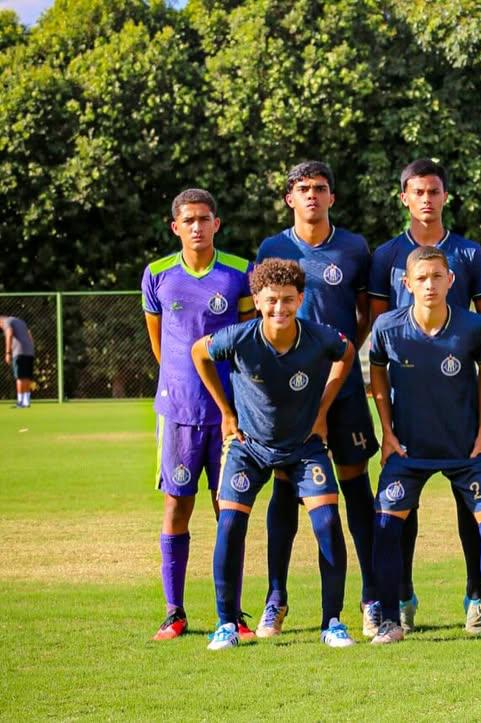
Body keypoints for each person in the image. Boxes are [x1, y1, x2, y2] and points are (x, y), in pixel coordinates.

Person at [192, 258, 357, 650]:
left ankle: (332, 622)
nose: (279, 308)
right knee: (230, 524)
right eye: (270, 300)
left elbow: (347, 353)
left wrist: (322, 410)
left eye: (287, 299)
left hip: (303, 447)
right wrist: (226, 412)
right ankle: (226, 624)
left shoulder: (319, 337)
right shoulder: (240, 337)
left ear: (300, 299)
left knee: (327, 522)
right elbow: (199, 352)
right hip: (249, 446)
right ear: (257, 301)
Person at [368, 158, 481, 634]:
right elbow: (379, 329)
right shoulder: (386, 255)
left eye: (434, 191)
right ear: (405, 197)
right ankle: (401, 596)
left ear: (445, 196)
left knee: (473, 507)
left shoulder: (468, 253)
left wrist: (451, 349)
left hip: (457, 402)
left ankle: (476, 597)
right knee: (402, 512)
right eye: (418, 192)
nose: (427, 199)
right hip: (409, 407)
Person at [255, 161, 380, 637]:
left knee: (355, 487)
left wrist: (335, 360)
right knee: (286, 489)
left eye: (320, 188)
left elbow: (364, 317)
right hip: (289, 396)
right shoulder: (272, 249)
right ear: (290, 198)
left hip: (342, 389)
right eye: (303, 188)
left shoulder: (353, 247)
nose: (312, 195)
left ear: (332, 197)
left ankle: (371, 597)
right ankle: (276, 599)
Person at [140, 188, 255, 641]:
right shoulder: (158, 274)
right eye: (188, 220)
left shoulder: (239, 272)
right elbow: (160, 345)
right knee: (177, 505)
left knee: (229, 509)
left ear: (216, 223)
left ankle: (233, 614)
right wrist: (181, 386)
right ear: (175, 227)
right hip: (178, 412)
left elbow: (246, 341)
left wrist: (232, 402)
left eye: (204, 219)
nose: (197, 227)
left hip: (230, 414)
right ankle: (174, 612)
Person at [1, 315, 34, 408]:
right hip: (29, 352)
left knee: (19, 377)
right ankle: (26, 401)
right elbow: (29, 335)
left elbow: (9, 333)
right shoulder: (21, 321)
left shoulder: (6, 322)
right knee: (26, 377)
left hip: (19, 352)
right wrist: (31, 348)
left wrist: (8, 352)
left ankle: (20, 402)